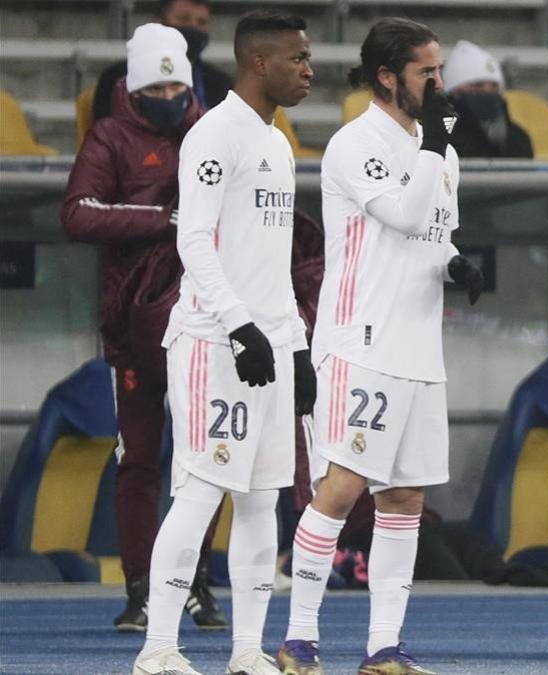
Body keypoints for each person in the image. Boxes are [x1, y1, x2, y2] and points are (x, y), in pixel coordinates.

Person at [276, 17, 482, 675]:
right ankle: (298, 639)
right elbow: (402, 213)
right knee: (341, 488)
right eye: (427, 71)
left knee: (405, 499)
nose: (440, 83)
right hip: (361, 340)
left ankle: (382, 648)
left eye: (440, 69)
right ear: (388, 77)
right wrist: (435, 147)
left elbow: (433, 229)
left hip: (421, 348)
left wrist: (456, 261)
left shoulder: (439, 149)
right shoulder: (353, 144)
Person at [131, 10, 315, 675]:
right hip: (214, 343)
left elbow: (273, 261)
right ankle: (158, 648)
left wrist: (295, 343)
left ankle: (246, 651)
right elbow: (193, 240)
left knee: (265, 496)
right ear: (259, 62)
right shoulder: (213, 136)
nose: (309, 70)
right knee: (203, 489)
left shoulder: (279, 143)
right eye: (298, 58)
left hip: (268, 345)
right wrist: (238, 324)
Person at [61, 21, 228, 635]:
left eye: (177, 87)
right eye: (157, 88)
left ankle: (197, 584)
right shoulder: (109, 137)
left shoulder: (211, 133)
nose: (169, 97)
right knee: (138, 460)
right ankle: (139, 590)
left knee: (203, 459)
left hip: (204, 322)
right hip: (132, 327)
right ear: (134, 89)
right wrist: (166, 219)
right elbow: (77, 213)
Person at [94, 0, 233, 120]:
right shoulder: (118, 78)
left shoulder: (221, 85)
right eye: (183, 19)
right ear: (158, 22)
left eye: (201, 22)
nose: (193, 27)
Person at [442, 39, 533, 159]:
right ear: (455, 91)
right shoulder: (439, 138)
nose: (487, 92)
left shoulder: (518, 138)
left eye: (494, 87)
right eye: (477, 85)